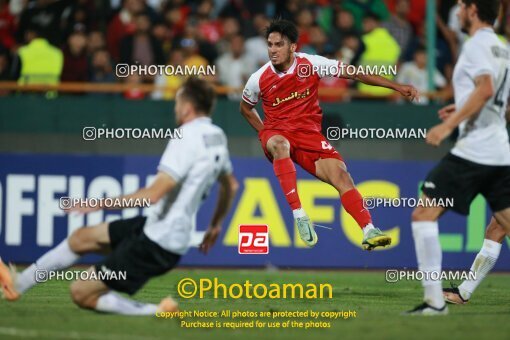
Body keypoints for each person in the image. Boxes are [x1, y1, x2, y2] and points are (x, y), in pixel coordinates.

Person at [0, 77, 239, 315]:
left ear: (187, 107)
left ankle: (157, 310)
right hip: (159, 229)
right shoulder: (217, 136)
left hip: (157, 243)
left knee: (81, 291)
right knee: (80, 238)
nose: (175, 108)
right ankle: (20, 284)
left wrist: (97, 204)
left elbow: (153, 195)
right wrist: (215, 224)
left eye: (177, 102)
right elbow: (231, 185)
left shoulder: (186, 137)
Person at [240, 19, 418, 249]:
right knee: (280, 144)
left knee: (343, 177)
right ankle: (299, 215)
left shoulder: (312, 64)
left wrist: (396, 86)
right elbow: (245, 107)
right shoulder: (258, 78)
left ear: (293, 47)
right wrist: (264, 132)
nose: (272, 50)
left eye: (279, 45)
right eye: (270, 45)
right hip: (277, 132)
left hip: (309, 136)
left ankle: (368, 229)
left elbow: (354, 74)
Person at [407, 0, 510, 315]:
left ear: (474, 10)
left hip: (474, 152)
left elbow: (485, 88)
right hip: (499, 151)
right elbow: (501, 103)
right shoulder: (502, 48)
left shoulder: (477, 45)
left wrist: (448, 125)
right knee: (500, 227)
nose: (458, 9)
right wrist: (464, 107)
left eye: (463, 4)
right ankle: (457, 294)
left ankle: (435, 303)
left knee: (423, 215)